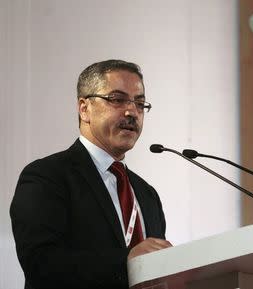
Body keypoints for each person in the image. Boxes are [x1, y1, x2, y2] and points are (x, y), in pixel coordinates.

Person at [10, 59, 172, 289]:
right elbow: (41, 264)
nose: (132, 111)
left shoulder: (147, 195)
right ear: (84, 108)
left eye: (140, 103)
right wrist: (126, 263)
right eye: (117, 99)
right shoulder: (46, 177)